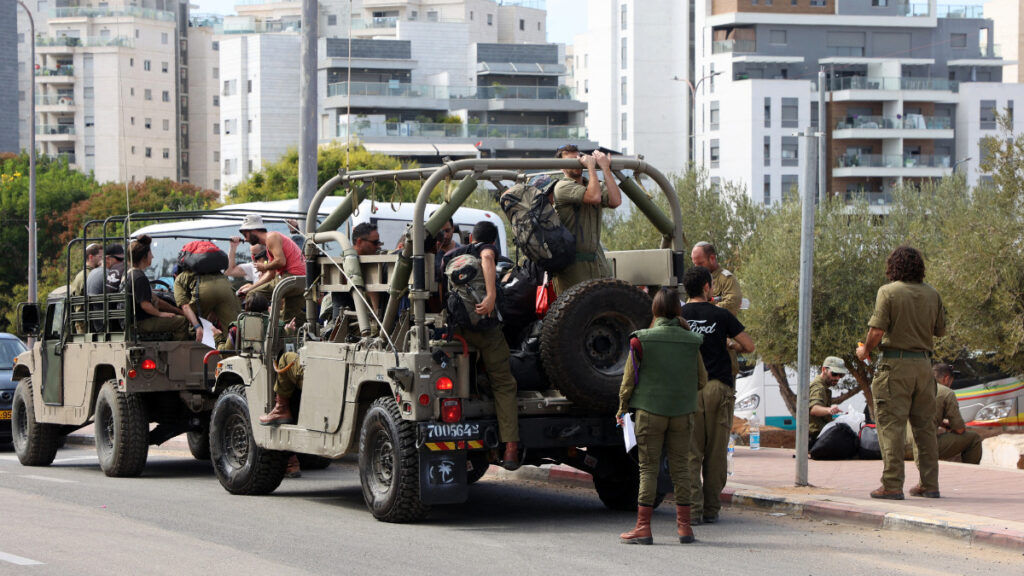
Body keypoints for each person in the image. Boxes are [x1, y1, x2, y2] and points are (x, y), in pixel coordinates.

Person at [617, 287, 706, 545]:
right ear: (678, 311)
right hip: (682, 414)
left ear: (654, 311)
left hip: (649, 412)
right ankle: (685, 529)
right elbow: (702, 380)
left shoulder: (641, 340)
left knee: (648, 470)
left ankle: (643, 528)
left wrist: (622, 408)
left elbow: (628, 380)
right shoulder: (692, 341)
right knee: (681, 470)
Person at [856, 245, 946, 500]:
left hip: (895, 365)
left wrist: (864, 352)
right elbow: (940, 331)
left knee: (891, 427)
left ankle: (892, 484)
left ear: (893, 266)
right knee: (925, 428)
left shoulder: (888, 292)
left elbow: (876, 332)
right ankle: (929, 484)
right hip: (924, 367)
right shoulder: (933, 294)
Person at [681, 266, 755, 525]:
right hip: (718, 389)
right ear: (706, 288)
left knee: (690, 452)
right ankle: (711, 509)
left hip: (687, 391)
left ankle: (693, 511)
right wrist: (730, 344)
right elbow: (749, 345)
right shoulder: (721, 315)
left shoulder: (678, 315)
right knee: (715, 453)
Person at [445, 220, 521, 469]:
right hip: (486, 328)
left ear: (469, 238)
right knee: (504, 384)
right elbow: (488, 258)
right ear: (491, 240)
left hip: (459, 331)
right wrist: (490, 296)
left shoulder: (452, 255)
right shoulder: (486, 249)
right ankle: (510, 448)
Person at [551, 144, 622, 295]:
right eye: (570, 161)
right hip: (573, 265)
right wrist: (591, 167)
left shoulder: (592, 184)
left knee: (601, 307)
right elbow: (594, 197)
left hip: (596, 261)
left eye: (578, 158)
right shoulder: (562, 186)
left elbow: (615, 200)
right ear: (562, 167)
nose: (577, 163)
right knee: (576, 309)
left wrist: (605, 169)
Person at [905, 364, 982, 465]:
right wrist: (954, 427)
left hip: (902, 448)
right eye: (950, 382)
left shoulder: (914, 388)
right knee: (974, 438)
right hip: (922, 449)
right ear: (946, 378)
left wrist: (942, 423)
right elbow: (959, 430)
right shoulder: (946, 392)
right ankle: (970, 473)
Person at [236, 214, 307, 325]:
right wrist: (250, 288)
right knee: (290, 320)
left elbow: (280, 261)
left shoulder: (271, 237)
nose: (245, 239)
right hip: (300, 281)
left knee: (254, 296)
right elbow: (270, 274)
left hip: (292, 277)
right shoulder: (270, 244)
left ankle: (257, 330)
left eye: (245, 234)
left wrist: (264, 267)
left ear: (253, 230)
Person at [124, 235, 189, 340]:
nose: (153, 257)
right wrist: (160, 314)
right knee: (182, 321)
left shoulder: (128, 274)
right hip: (141, 322)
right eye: (150, 254)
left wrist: (175, 310)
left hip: (132, 321)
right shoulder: (140, 277)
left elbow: (154, 299)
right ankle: (179, 353)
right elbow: (145, 305)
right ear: (144, 256)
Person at [174, 250, 242, 347]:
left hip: (202, 291)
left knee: (192, 328)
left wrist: (197, 327)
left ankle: (195, 353)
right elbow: (215, 302)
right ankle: (229, 352)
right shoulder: (217, 273)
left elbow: (185, 307)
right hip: (225, 287)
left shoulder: (180, 278)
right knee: (234, 331)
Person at [809, 356, 849, 448]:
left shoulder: (823, 388)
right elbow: (814, 409)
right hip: (816, 438)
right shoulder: (818, 388)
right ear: (824, 370)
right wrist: (829, 410)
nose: (837, 378)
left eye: (841, 375)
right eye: (834, 374)